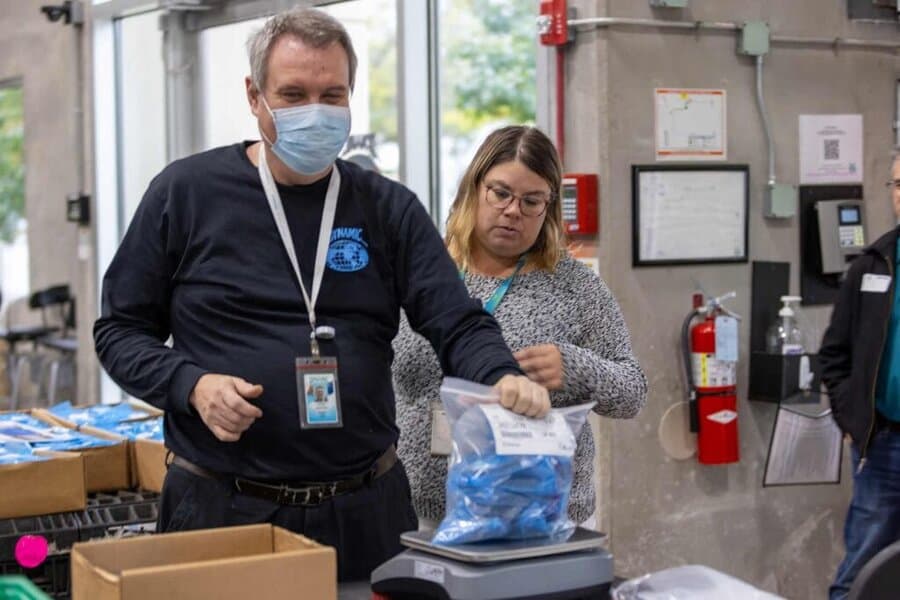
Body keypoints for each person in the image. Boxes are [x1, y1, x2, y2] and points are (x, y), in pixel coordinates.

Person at [93, 7, 549, 581]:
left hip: (366, 510)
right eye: (294, 93)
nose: (316, 111)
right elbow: (118, 331)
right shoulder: (184, 194)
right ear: (254, 97)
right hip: (223, 508)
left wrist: (502, 374)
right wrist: (192, 386)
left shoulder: (387, 208)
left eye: (332, 94)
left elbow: (456, 322)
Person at [392, 126, 647, 530]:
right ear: (474, 188)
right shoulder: (419, 273)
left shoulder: (576, 287)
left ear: (549, 208)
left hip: (541, 516)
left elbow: (633, 392)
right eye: (501, 193)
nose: (513, 211)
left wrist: (575, 367)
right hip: (420, 510)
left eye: (532, 201)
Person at [820, 154, 900, 600]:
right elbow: (834, 353)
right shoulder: (872, 265)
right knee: (863, 569)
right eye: (898, 184)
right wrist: (853, 419)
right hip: (884, 446)